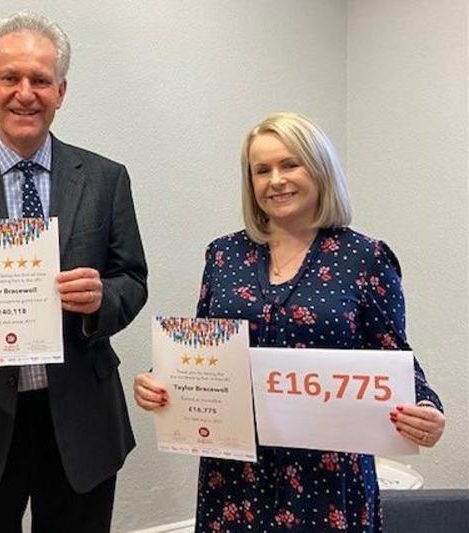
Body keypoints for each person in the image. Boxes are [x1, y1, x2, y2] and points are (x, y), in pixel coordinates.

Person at [134, 112, 445, 532]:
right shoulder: (223, 257)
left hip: (330, 480)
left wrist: (426, 407)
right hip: (234, 478)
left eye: (289, 164)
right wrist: (160, 380)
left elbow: (395, 355)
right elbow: (202, 349)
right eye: (262, 170)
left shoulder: (365, 257)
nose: (275, 180)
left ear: (318, 169)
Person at [0, 12, 147, 533]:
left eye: (40, 80)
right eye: (11, 78)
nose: (25, 92)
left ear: (60, 91)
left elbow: (132, 279)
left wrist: (100, 299)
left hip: (81, 419)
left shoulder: (106, 179)